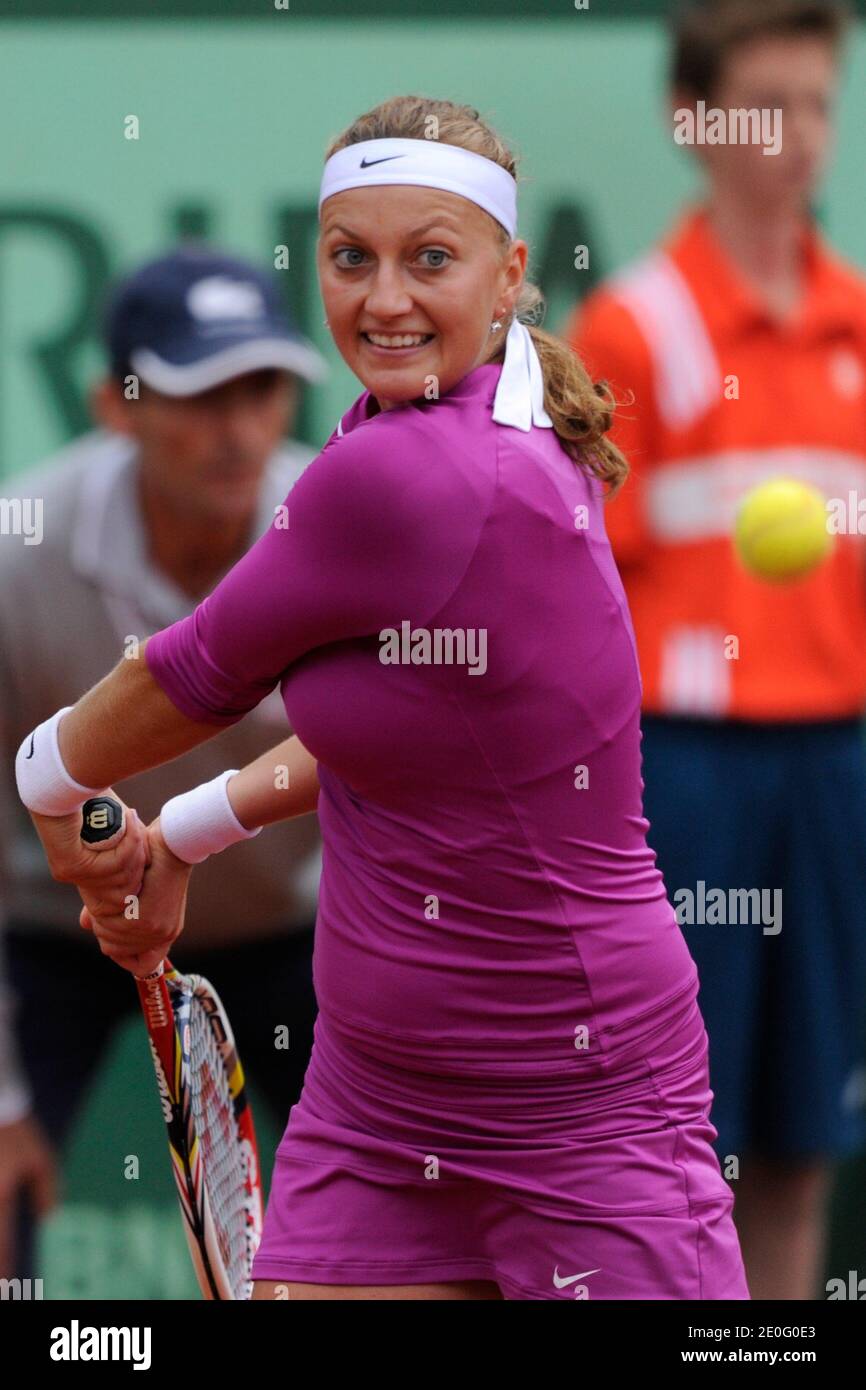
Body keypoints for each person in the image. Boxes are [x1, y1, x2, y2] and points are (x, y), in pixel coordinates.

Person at [15, 96, 749, 1301]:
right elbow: (403, 733)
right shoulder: (468, 416)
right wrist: (188, 833)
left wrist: (47, 783)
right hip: (379, 1101)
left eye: (430, 259)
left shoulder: (415, 472)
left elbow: (186, 675)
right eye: (350, 258)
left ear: (510, 274)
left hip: (577, 1097)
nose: (384, 298)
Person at [566, 0, 866, 1300]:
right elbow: (576, 604)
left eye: (816, 103)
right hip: (678, 774)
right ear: (690, 121)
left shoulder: (861, 319)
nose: (796, 138)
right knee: (671, 1138)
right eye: (764, 107)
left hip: (839, 770)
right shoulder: (629, 331)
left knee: (807, 1134)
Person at [0, 246, 328, 1283]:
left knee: (422, 1206)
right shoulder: (18, 561)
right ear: (114, 403)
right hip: (57, 933)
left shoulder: (342, 536)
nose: (235, 430)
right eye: (196, 395)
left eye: (260, 389)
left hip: (291, 927)